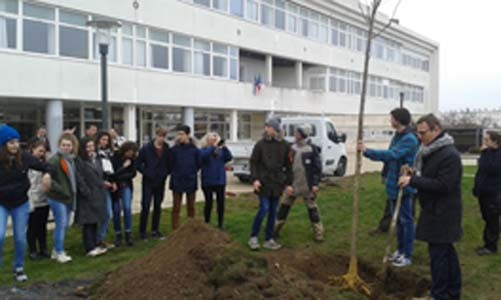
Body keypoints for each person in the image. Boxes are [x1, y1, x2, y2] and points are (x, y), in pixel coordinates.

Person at [399, 114, 462, 300]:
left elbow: (444, 185)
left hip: (443, 212)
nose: (420, 137)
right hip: (434, 209)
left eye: (423, 133)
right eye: (418, 133)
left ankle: (440, 295)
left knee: (439, 258)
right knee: (446, 253)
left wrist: (413, 180)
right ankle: (451, 292)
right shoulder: (430, 150)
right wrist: (414, 173)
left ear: (436, 129)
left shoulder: (449, 154)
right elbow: (429, 174)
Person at [358, 108, 418, 267]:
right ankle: (399, 250)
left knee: (406, 221)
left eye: (391, 118)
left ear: (398, 120)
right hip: (393, 185)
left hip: (403, 186)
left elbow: (392, 155)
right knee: (397, 221)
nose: (390, 121)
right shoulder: (397, 136)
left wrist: (367, 151)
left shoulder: (409, 139)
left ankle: (407, 254)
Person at [0, 125, 51, 282]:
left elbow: (46, 166)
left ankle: (19, 267)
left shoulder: (25, 157)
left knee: (20, 238)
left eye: (17, 141)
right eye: (11, 142)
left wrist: (47, 175)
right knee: (0, 236)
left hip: (20, 202)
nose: (15, 145)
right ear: (3, 145)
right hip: (1, 202)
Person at [248, 117, 292, 251]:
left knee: (273, 212)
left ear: (275, 129)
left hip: (277, 183)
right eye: (266, 127)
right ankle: (253, 237)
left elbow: (289, 166)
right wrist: (255, 179)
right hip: (263, 182)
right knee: (264, 209)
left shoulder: (285, 145)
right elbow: (254, 162)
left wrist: (288, 184)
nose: (266, 129)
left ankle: (269, 239)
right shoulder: (260, 144)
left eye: (269, 127)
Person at [274, 124, 324, 242]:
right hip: (292, 185)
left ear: (303, 135)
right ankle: (274, 231)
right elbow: (286, 167)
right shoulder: (291, 148)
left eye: (297, 133)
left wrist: (315, 184)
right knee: (283, 209)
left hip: (307, 186)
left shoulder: (312, 149)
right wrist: (286, 184)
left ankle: (319, 234)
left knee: (312, 210)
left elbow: (317, 168)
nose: (295, 135)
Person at [46, 133, 79, 264]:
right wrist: (62, 189)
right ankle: (59, 251)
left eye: (68, 145)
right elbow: (48, 178)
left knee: (64, 225)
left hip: (68, 197)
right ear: (59, 145)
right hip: (57, 197)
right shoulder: (55, 160)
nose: (66, 147)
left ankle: (56, 249)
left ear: (72, 146)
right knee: (61, 224)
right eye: (63, 145)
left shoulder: (71, 160)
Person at [75, 138, 108, 257]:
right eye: (88, 147)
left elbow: (100, 175)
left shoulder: (97, 158)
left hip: (98, 193)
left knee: (95, 221)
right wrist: (86, 192)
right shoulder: (79, 161)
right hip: (88, 195)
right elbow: (79, 179)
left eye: (92, 146)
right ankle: (89, 247)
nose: (90, 149)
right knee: (88, 222)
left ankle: (95, 244)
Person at [136, 127, 170, 240]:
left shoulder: (166, 148)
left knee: (157, 205)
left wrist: (165, 172)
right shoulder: (146, 148)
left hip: (160, 180)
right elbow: (138, 163)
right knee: (145, 205)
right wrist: (146, 172)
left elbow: (169, 162)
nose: (161, 139)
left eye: (163, 136)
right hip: (148, 180)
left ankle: (155, 230)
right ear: (156, 135)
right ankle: (142, 231)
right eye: (160, 136)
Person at [473, 130, 501, 255]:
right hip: (483, 191)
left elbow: (492, 169)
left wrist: (484, 153)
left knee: (492, 219)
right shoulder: (487, 153)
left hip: (493, 192)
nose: (484, 142)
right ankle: (487, 243)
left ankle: (491, 246)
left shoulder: (497, 154)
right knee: (487, 218)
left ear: (495, 141)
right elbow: (481, 171)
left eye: (487, 140)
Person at [169, 125, 201, 230]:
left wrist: (191, 173)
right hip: (177, 181)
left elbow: (198, 164)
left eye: (181, 134)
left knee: (191, 207)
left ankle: (190, 229)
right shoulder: (174, 150)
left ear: (188, 135)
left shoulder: (194, 150)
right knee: (176, 207)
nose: (179, 136)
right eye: (178, 134)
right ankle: (175, 230)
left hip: (190, 180)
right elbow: (170, 164)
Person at [200, 132, 233, 229]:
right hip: (208, 181)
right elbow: (203, 157)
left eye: (216, 137)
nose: (215, 139)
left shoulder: (221, 151)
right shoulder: (204, 150)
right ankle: (207, 221)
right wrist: (212, 147)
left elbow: (229, 158)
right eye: (212, 137)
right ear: (207, 140)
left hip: (220, 181)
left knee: (221, 203)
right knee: (208, 202)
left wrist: (225, 147)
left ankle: (220, 222)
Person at [27, 141, 50, 261]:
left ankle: (43, 248)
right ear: (33, 150)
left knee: (42, 225)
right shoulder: (27, 164)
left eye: (43, 151)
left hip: (43, 199)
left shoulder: (45, 165)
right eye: (39, 151)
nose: (41, 154)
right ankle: (32, 250)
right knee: (32, 226)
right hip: (31, 199)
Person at [112, 142, 138, 246]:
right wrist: (123, 167)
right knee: (116, 210)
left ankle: (128, 233)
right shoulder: (115, 157)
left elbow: (133, 173)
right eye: (130, 152)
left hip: (126, 185)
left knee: (127, 208)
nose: (131, 155)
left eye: (133, 153)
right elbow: (113, 174)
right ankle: (118, 234)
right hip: (115, 187)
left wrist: (121, 175)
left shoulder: (133, 159)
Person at [95, 131, 117, 249]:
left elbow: (111, 170)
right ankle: (96, 239)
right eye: (102, 139)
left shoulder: (109, 154)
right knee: (101, 214)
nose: (105, 142)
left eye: (107, 140)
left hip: (108, 186)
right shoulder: (95, 154)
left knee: (108, 213)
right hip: (98, 186)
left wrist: (113, 182)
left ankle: (100, 238)